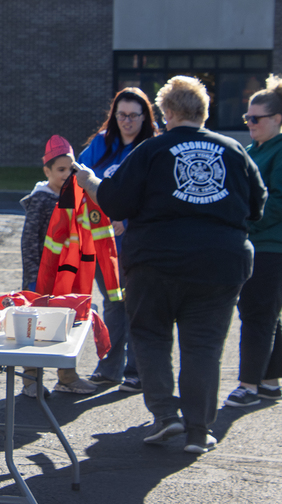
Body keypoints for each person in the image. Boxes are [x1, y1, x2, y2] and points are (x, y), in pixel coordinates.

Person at [74, 75, 266, 455]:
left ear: (167, 112)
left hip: (155, 263)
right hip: (219, 266)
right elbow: (257, 206)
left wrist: (90, 180)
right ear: (204, 112)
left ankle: (165, 416)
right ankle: (199, 431)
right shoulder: (235, 151)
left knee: (150, 337)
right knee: (204, 347)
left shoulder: (150, 151)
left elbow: (116, 202)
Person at [225, 75, 282, 408]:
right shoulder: (258, 148)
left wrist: (243, 224)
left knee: (258, 313)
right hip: (261, 243)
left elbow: (279, 204)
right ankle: (270, 383)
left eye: (255, 118)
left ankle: (248, 386)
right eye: (247, 117)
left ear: (277, 119)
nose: (249, 123)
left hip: (278, 246)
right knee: (264, 312)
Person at [79, 88, 159, 392]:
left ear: (145, 116)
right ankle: (109, 369)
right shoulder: (102, 143)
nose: (126, 121)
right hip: (103, 243)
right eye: (121, 115)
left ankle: (137, 371)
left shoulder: (153, 146)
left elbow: (155, 193)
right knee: (113, 305)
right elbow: (81, 176)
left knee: (138, 307)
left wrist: (125, 218)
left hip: (138, 244)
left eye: (133, 115)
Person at [19, 135, 98, 397]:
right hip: (42, 278)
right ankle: (30, 379)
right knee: (37, 328)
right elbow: (29, 242)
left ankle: (67, 376)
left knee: (67, 326)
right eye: (60, 169)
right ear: (47, 171)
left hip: (70, 277)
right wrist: (32, 279)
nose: (66, 174)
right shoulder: (41, 200)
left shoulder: (77, 196)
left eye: (70, 169)